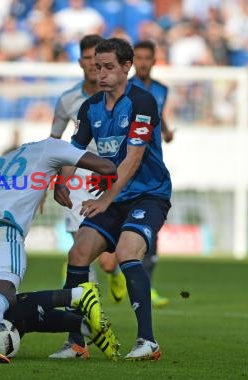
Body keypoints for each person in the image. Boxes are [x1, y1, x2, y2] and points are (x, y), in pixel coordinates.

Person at [0, 137, 118, 363]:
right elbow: (108, 167)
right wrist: (61, 182)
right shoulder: (53, 147)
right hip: (3, 233)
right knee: (3, 293)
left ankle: (86, 329)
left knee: (4, 311)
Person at [53, 38, 172, 361]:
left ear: (125, 68)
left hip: (148, 195)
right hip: (113, 198)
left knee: (126, 251)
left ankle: (148, 341)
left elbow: (133, 159)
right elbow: (73, 151)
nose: (101, 73)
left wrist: (105, 200)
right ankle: (76, 342)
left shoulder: (142, 102)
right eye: (96, 67)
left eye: (108, 67)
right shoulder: (90, 107)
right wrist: (60, 182)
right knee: (78, 253)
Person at [49, 33, 128, 359]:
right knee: (80, 254)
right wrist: (50, 181)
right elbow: (54, 144)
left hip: (116, 178)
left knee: (107, 259)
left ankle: (116, 269)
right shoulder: (69, 100)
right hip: (80, 180)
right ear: (82, 62)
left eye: (100, 59)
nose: (94, 66)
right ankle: (78, 337)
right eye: (88, 59)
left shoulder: (127, 98)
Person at [129, 40, 174, 307]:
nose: (143, 62)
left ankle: (148, 284)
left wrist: (166, 131)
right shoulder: (126, 88)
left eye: (148, 58)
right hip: (130, 163)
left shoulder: (161, 90)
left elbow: (158, 115)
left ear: (155, 60)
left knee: (152, 226)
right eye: (140, 58)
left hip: (154, 164)